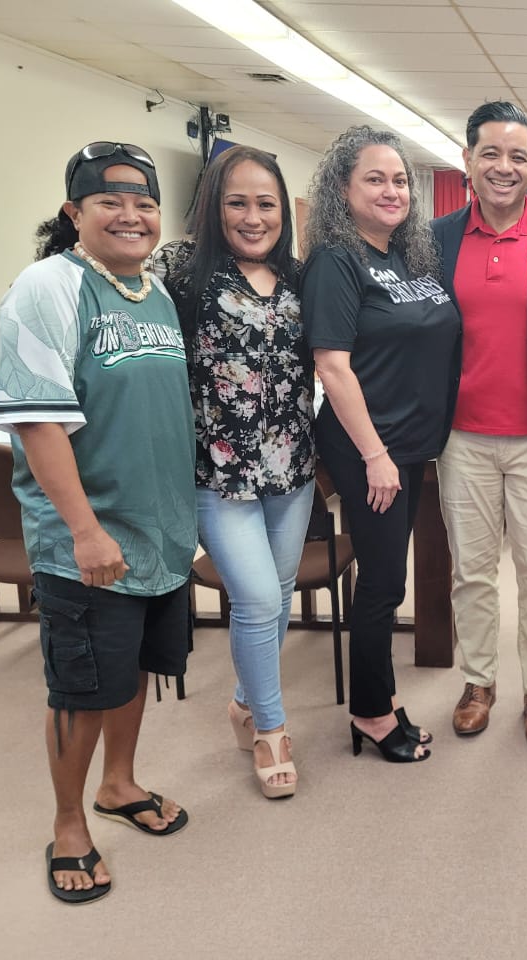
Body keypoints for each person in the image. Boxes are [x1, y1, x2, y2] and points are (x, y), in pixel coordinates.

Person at [0, 142, 195, 903]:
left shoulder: (156, 292)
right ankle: (69, 823)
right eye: (109, 200)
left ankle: (120, 784)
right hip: (90, 541)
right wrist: (84, 531)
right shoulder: (48, 287)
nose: (131, 213)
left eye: (143, 201)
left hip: (157, 533)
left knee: (133, 669)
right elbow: (39, 425)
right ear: (74, 213)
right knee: (80, 688)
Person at [153, 146, 315, 798]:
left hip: (293, 470)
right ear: (214, 205)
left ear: (284, 212)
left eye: (266, 203)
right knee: (257, 600)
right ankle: (272, 731)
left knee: (275, 601)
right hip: (219, 476)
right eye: (237, 202)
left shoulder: (302, 278)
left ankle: (246, 700)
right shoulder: (181, 272)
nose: (253, 216)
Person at [303, 126, 461, 764]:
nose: (392, 190)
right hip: (372, 449)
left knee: (392, 576)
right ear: (343, 188)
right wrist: (375, 456)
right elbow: (333, 366)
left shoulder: (406, 256)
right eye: (375, 178)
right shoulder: (336, 261)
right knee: (383, 584)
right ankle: (371, 711)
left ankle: (374, 702)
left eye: (400, 180)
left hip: (413, 445)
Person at [431, 102, 527, 749]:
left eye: (517, 157)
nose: (504, 167)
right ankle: (478, 681)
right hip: (462, 436)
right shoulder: (434, 241)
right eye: (491, 153)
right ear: (467, 160)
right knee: (472, 569)